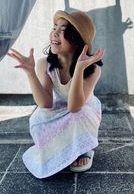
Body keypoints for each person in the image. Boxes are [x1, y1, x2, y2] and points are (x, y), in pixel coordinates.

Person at [7, 10, 104, 179]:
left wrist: (79, 69)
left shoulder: (93, 69)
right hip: (58, 109)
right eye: (54, 27)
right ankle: (61, 150)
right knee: (37, 119)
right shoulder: (45, 64)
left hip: (83, 111)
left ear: (76, 40)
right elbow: (45, 103)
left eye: (63, 30)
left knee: (79, 115)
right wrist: (31, 72)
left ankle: (83, 150)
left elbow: (75, 107)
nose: (55, 33)